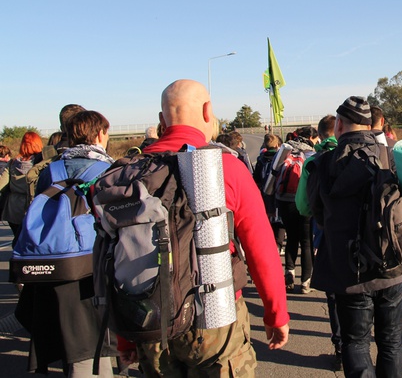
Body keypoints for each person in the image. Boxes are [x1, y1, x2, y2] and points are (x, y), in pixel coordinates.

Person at [119, 79, 289, 376]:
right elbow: (261, 248)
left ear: (162, 121)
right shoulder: (227, 167)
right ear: (209, 111)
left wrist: (125, 335)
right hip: (216, 317)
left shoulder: (131, 173)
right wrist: (276, 314)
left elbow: (115, 257)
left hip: (151, 318)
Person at [306, 96, 402, 377]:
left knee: (355, 342)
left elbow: (316, 213)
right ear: (370, 125)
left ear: (339, 125)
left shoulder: (323, 163)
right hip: (393, 264)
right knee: (391, 341)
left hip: (349, 269)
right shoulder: (392, 157)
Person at [15, 110, 117, 377]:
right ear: (99, 134)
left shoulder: (52, 168)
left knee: (70, 339)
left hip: (55, 262)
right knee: (91, 346)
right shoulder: (107, 169)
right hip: (91, 264)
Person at [295, 114, 343, 368]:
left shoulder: (312, 161)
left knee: (334, 296)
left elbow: (303, 206)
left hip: (325, 237)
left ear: (321, 135)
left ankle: (340, 349)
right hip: (358, 240)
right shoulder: (359, 154)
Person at [277, 126, 316, 294]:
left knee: (291, 238)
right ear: (310, 138)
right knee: (307, 242)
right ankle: (306, 282)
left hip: (284, 201)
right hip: (305, 203)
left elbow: (273, 176)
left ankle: (289, 273)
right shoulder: (311, 154)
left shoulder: (285, 149)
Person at [0, 131, 44, 247]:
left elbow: (1, 185)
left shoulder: (12, 163)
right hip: (34, 205)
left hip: (13, 208)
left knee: (18, 239)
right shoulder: (41, 164)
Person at [252, 133, 285, 252]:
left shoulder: (260, 159)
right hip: (278, 192)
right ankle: (278, 245)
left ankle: (269, 243)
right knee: (279, 219)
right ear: (277, 145)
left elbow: (256, 178)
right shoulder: (280, 158)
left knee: (267, 218)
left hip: (264, 193)